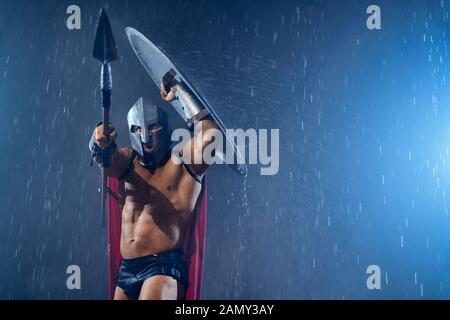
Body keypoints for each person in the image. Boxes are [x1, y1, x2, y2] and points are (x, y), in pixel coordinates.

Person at [89, 81, 218, 300]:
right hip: (127, 268)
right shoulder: (128, 162)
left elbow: (210, 135)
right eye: (137, 130)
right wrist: (98, 139)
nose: (145, 137)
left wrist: (181, 94)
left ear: (165, 128)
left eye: (154, 127)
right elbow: (104, 159)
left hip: (163, 266)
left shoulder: (183, 163)